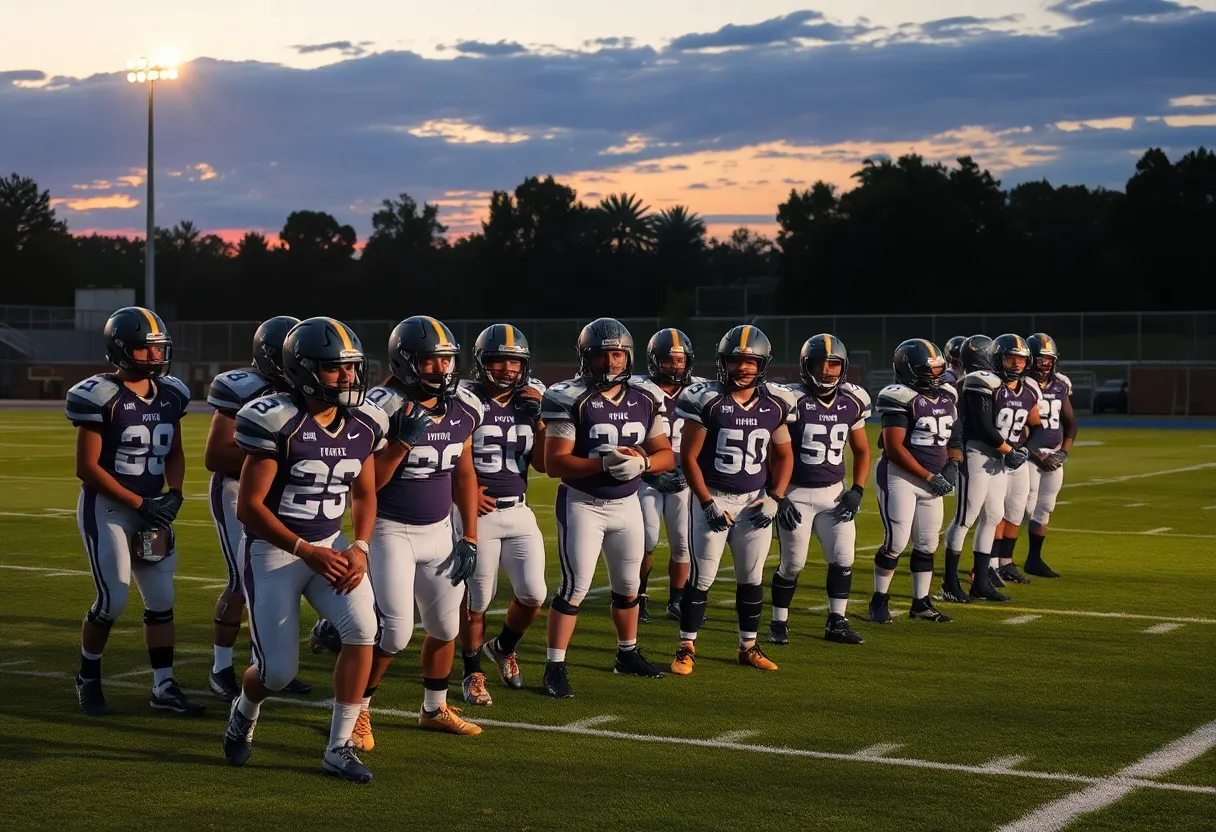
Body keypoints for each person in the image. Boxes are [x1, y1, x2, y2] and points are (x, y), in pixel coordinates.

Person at [222, 317, 388, 783]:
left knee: (363, 630)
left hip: (331, 545)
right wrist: (305, 550)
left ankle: (338, 746)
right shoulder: (274, 417)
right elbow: (249, 507)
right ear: (304, 370)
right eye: (336, 369)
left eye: (352, 368)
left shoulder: (367, 421)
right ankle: (245, 707)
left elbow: (365, 494)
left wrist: (359, 546)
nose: (349, 378)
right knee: (275, 673)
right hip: (274, 552)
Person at [67, 306, 201, 717]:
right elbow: (86, 468)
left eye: (158, 348)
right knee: (113, 599)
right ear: (121, 349)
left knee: (161, 598)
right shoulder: (100, 395)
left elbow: (174, 451)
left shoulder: (172, 393)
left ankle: (163, 686)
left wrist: (174, 492)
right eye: (145, 349)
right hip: (109, 507)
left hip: (151, 508)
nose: (155, 356)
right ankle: (87, 676)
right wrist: (142, 503)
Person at [355, 316, 484, 743]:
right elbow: (367, 483)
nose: (440, 370)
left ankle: (434, 708)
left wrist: (469, 535)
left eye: (445, 361)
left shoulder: (465, 406)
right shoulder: (380, 407)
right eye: (429, 362)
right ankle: (358, 709)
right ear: (405, 362)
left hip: (439, 531)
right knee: (395, 631)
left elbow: (464, 475)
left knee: (447, 628)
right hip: (390, 530)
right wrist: (402, 443)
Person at [539, 317, 675, 698]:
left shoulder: (646, 395)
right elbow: (555, 463)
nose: (611, 362)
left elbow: (666, 454)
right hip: (583, 503)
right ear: (586, 357)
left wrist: (644, 464)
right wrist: (606, 463)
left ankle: (626, 654)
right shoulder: (567, 395)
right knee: (574, 587)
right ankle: (554, 665)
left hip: (627, 503)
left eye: (617, 354)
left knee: (629, 587)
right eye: (602, 355)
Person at [670, 325, 802, 676]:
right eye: (735, 360)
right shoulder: (707, 399)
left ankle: (747, 646)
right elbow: (689, 458)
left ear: (762, 363)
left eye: (749, 361)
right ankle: (686, 647)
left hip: (754, 501)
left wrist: (775, 497)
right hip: (714, 496)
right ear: (723, 362)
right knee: (702, 577)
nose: (742, 367)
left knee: (751, 577)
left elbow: (786, 456)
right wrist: (706, 502)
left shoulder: (776, 402)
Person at [203, 315, 311, 700]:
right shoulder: (245, 388)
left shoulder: (308, 391)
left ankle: (265, 666)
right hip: (238, 491)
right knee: (241, 581)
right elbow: (216, 454)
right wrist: (276, 454)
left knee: (279, 584)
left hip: (285, 495)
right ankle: (220, 667)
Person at [456, 324, 548, 706]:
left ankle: (502, 647)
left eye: (515, 361)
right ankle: (471, 673)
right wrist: (461, 492)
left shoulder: (533, 396)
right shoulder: (464, 398)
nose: (509, 368)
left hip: (520, 509)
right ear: (482, 363)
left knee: (533, 595)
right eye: (499, 360)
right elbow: (445, 453)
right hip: (480, 512)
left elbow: (543, 464)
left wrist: (541, 422)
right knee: (479, 597)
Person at [770, 334, 871, 645]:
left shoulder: (853, 400)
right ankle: (778, 622)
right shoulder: (789, 399)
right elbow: (772, 451)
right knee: (793, 564)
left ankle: (836, 622)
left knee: (843, 558)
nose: (828, 370)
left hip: (834, 493)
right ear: (806, 365)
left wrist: (857, 489)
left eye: (834, 364)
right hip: (797, 493)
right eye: (821, 363)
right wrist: (778, 495)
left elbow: (863, 450)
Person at [868, 339, 961, 624]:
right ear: (909, 370)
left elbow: (955, 436)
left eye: (938, 368)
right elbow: (893, 448)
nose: (936, 375)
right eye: (928, 369)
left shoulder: (947, 394)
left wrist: (953, 465)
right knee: (896, 542)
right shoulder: (900, 397)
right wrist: (929, 475)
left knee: (927, 543)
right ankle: (878, 600)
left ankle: (920, 603)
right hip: (901, 477)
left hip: (932, 479)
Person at [633, 328, 700, 623]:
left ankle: (676, 600)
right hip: (645, 475)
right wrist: (649, 471)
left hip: (683, 477)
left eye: (680, 360)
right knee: (646, 538)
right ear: (653, 361)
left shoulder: (700, 390)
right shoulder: (638, 388)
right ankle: (639, 596)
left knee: (682, 542)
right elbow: (627, 431)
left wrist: (689, 470)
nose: (675, 366)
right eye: (668, 360)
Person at [1016, 333, 1077, 578]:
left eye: (1049, 359)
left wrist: (1063, 452)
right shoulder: (1020, 384)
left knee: (1045, 508)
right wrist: (1035, 454)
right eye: (1040, 359)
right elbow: (1015, 427)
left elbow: (1071, 422)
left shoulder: (1061, 384)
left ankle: (1033, 559)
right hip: (1027, 455)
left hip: (1052, 455)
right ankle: (997, 560)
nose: (1045, 363)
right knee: (1021, 507)